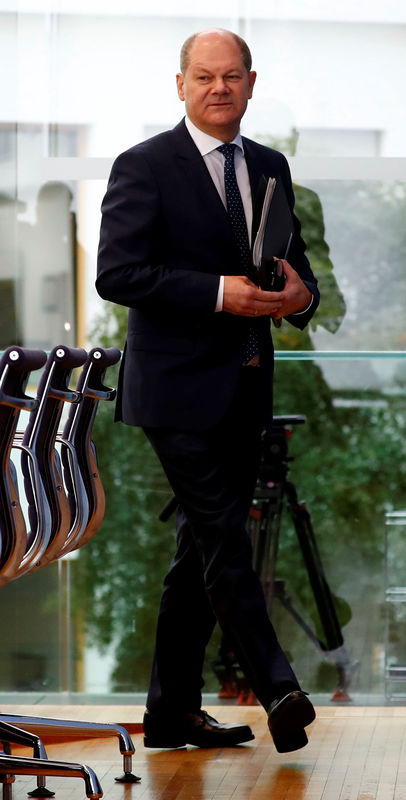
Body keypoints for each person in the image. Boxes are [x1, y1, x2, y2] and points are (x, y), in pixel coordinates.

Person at [96, 28, 319, 754]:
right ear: (182, 85)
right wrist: (218, 293)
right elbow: (118, 275)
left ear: (250, 83)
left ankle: (170, 714)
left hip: (247, 387)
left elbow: (301, 274)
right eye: (204, 77)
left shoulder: (270, 165)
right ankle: (279, 687)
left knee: (199, 553)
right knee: (224, 538)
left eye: (231, 77)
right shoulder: (144, 166)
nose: (218, 88)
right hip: (176, 391)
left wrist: (298, 298)